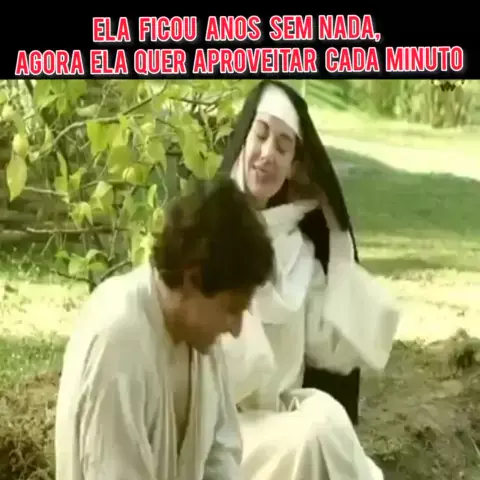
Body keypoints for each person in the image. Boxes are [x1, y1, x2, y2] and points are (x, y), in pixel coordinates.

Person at [218, 80, 400, 480]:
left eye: (283, 147)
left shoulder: (297, 251)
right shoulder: (211, 230)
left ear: (294, 167)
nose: (268, 153)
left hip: (283, 418)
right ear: (243, 139)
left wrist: (336, 232)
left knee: (325, 416)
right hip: (223, 430)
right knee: (312, 435)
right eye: (261, 135)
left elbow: (335, 351)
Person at [54, 178, 275, 480]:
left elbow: (222, 450)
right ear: (193, 277)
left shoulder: (201, 342)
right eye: (231, 309)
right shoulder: (118, 340)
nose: (236, 330)